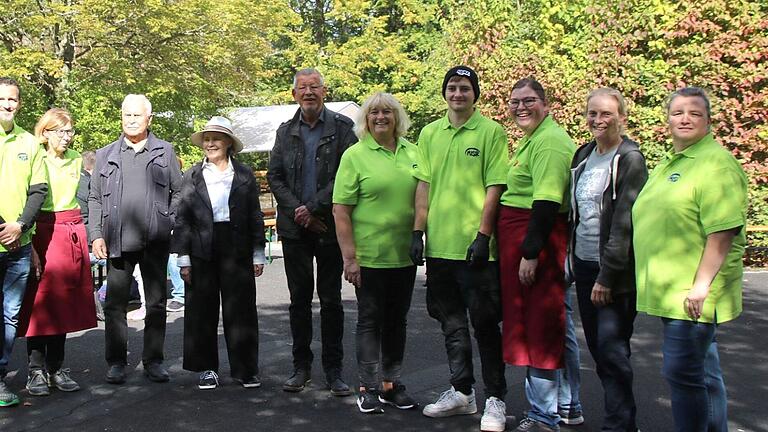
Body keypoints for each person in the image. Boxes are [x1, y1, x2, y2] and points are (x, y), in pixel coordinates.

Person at [632, 87, 747, 432]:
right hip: (673, 290)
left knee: (682, 375)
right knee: (703, 374)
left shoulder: (715, 164)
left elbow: (722, 231)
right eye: (678, 112)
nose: (684, 119)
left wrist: (700, 287)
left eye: (694, 113)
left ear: (709, 122)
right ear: (667, 119)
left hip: (692, 295)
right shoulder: (673, 161)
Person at [413, 66, 509, 432]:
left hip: (475, 249)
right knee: (451, 325)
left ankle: (496, 398)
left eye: (465, 88)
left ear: (475, 94)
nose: (457, 94)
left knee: (485, 325)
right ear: (445, 93)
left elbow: (495, 186)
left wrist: (484, 235)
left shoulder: (490, 132)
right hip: (440, 248)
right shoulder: (429, 133)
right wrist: (417, 231)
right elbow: (423, 185)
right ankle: (462, 392)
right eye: (452, 88)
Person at [267, 68, 357, 396]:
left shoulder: (344, 129)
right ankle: (300, 367)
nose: (308, 92)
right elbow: (275, 176)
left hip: (331, 226)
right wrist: (299, 212)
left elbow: (349, 174)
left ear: (325, 91)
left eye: (314, 87)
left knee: (332, 301)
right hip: (295, 230)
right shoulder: (285, 131)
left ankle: (334, 371)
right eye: (302, 88)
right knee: (298, 301)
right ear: (294, 94)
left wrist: (316, 207)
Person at [497, 78, 576, 432]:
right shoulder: (532, 139)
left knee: (541, 325)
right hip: (524, 240)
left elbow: (545, 203)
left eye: (528, 101)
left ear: (546, 104)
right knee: (556, 323)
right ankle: (567, 405)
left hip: (535, 244)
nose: (520, 107)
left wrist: (531, 253)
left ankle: (544, 415)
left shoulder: (549, 142)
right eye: (514, 102)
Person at [332, 92, 419, 414]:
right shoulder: (355, 155)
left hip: (405, 255)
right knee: (370, 322)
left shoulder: (415, 152)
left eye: (387, 112)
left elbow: (423, 200)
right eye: (373, 113)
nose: (380, 117)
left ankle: (390, 384)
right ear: (365, 120)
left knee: (397, 321)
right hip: (369, 257)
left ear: (397, 117)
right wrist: (350, 258)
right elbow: (341, 210)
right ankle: (367, 386)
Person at [568, 88, 647, 431]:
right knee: (601, 355)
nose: (598, 120)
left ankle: (621, 425)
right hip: (584, 266)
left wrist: (607, 277)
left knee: (613, 353)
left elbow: (624, 222)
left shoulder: (630, 159)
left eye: (606, 114)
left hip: (613, 275)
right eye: (592, 113)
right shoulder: (583, 154)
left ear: (622, 118)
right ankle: (621, 420)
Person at [89, 93, 182, 385]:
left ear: (149, 119)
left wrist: (169, 221)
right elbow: (93, 198)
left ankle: (153, 361)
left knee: (156, 303)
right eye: (127, 115)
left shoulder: (165, 152)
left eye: (137, 115)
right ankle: (116, 362)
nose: (131, 120)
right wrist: (95, 235)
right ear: (121, 117)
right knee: (115, 305)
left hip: (155, 240)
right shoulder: (105, 154)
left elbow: (179, 193)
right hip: (116, 240)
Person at [172, 116, 265, 390]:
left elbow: (254, 215)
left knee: (242, 311)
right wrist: (183, 257)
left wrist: (258, 252)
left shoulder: (244, 174)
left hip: (237, 246)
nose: (210, 143)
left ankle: (246, 370)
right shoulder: (192, 175)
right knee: (201, 311)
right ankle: (206, 369)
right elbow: (183, 217)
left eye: (216, 139)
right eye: (207, 139)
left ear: (228, 143)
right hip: (201, 247)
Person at [18, 108, 98, 396]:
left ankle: (56, 368)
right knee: (40, 305)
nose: (67, 137)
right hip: (42, 231)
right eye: (61, 131)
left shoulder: (77, 159)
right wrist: (30, 244)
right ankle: (35, 371)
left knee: (64, 304)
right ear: (45, 133)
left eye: (70, 131)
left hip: (71, 232)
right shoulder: (35, 158)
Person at [0, 77, 48, 407]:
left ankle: (0, 378)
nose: (7, 103)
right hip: (7, 236)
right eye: (2, 98)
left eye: (12, 99)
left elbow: (39, 190)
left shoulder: (29, 143)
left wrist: (20, 226)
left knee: (8, 317)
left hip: (17, 246)